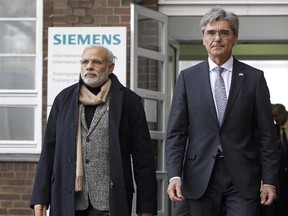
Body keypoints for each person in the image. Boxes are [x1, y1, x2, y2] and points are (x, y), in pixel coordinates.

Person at [165, 7, 279, 216]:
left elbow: (266, 134)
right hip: (199, 175)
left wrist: (270, 180)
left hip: (243, 176)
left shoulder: (254, 79)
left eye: (224, 32)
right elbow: (176, 133)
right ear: (203, 39)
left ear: (235, 38)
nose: (217, 38)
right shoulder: (187, 78)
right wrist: (174, 176)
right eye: (211, 32)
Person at [30, 45, 157, 216]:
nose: (89, 66)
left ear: (110, 67)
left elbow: (144, 158)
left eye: (96, 62)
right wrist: (40, 198)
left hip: (109, 203)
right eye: (85, 62)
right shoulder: (64, 100)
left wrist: (146, 207)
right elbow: (49, 151)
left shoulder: (129, 101)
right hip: (69, 202)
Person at [271, 103, 288, 216]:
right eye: (273, 117)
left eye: (277, 116)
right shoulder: (274, 131)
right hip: (282, 175)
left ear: (284, 113)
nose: (275, 120)